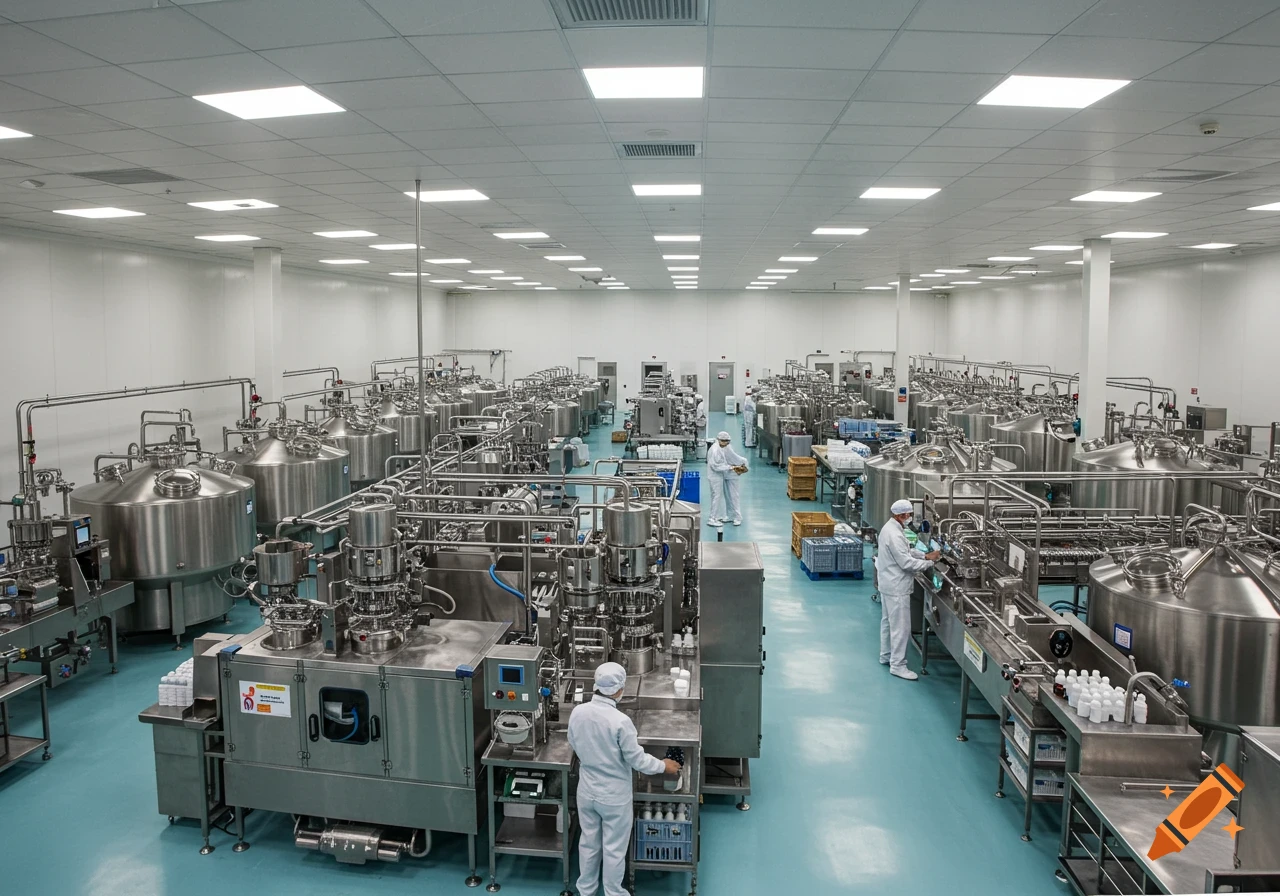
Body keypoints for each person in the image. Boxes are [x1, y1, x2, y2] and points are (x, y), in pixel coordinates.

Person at [568, 662, 681, 896]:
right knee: (614, 849)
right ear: (619, 689)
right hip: (614, 798)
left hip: (587, 791)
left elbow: (574, 743)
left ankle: (586, 891)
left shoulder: (578, 712)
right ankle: (613, 893)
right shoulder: (620, 722)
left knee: (588, 844)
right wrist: (663, 766)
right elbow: (637, 760)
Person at [876, 499, 941, 681]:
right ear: (900, 515)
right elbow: (905, 562)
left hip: (888, 583)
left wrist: (924, 554)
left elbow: (905, 551)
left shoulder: (891, 528)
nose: (910, 518)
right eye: (908, 515)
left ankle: (886, 655)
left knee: (888, 622)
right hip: (896, 586)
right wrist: (929, 562)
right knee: (901, 627)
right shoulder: (894, 534)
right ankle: (898, 665)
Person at [706, 431, 748, 527]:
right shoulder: (716, 450)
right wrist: (731, 467)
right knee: (717, 496)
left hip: (724, 475)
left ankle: (733, 516)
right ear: (720, 440)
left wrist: (738, 465)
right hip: (718, 475)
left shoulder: (723, 447)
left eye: (728, 442)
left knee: (731, 496)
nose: (727, 444)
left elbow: (732, 458)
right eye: (725, 442)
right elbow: (716, 466)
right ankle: (713, 518)